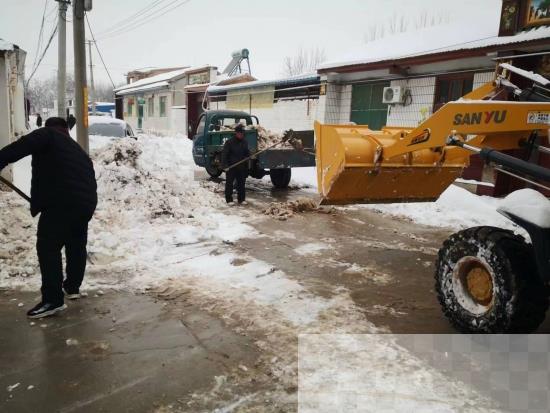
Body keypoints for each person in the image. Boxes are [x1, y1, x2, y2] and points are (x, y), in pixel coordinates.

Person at [0, 117, 97, 319]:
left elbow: (22, 146)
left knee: (48, 246)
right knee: (76, 242)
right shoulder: (75, 148)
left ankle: (53, 299)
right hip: (85, 203)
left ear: (50, 127)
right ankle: (72, 286)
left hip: (63, 202)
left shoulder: (47, 134)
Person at [221, 123, 250, 205]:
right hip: (231, 166)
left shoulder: (245, 142)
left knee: (241, 183)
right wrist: (225, 166)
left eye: (242, 133)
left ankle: (241, 199)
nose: (241, 135)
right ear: (236, 133)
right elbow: (224, 155)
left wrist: (248, 156)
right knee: (229, 183)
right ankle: (229, 200)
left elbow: (247, 152)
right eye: (240, 133)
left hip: (241, 166)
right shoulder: (229, 142)